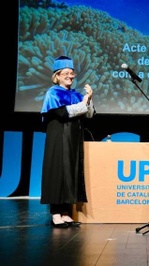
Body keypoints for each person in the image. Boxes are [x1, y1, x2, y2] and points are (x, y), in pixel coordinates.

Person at [40, 55, 95, 228]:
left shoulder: (76, 94)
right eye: (66, 73)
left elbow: (90, 114)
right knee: (57, 172)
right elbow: (62, 114)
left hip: (72, 140)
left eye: (72, 73)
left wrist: (89, 99)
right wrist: (84, 102)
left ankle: (65, 212)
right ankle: (56, 213)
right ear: (57, 75)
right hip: (58, 138)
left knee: (70, 173)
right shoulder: (53, 93)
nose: (70, 76)